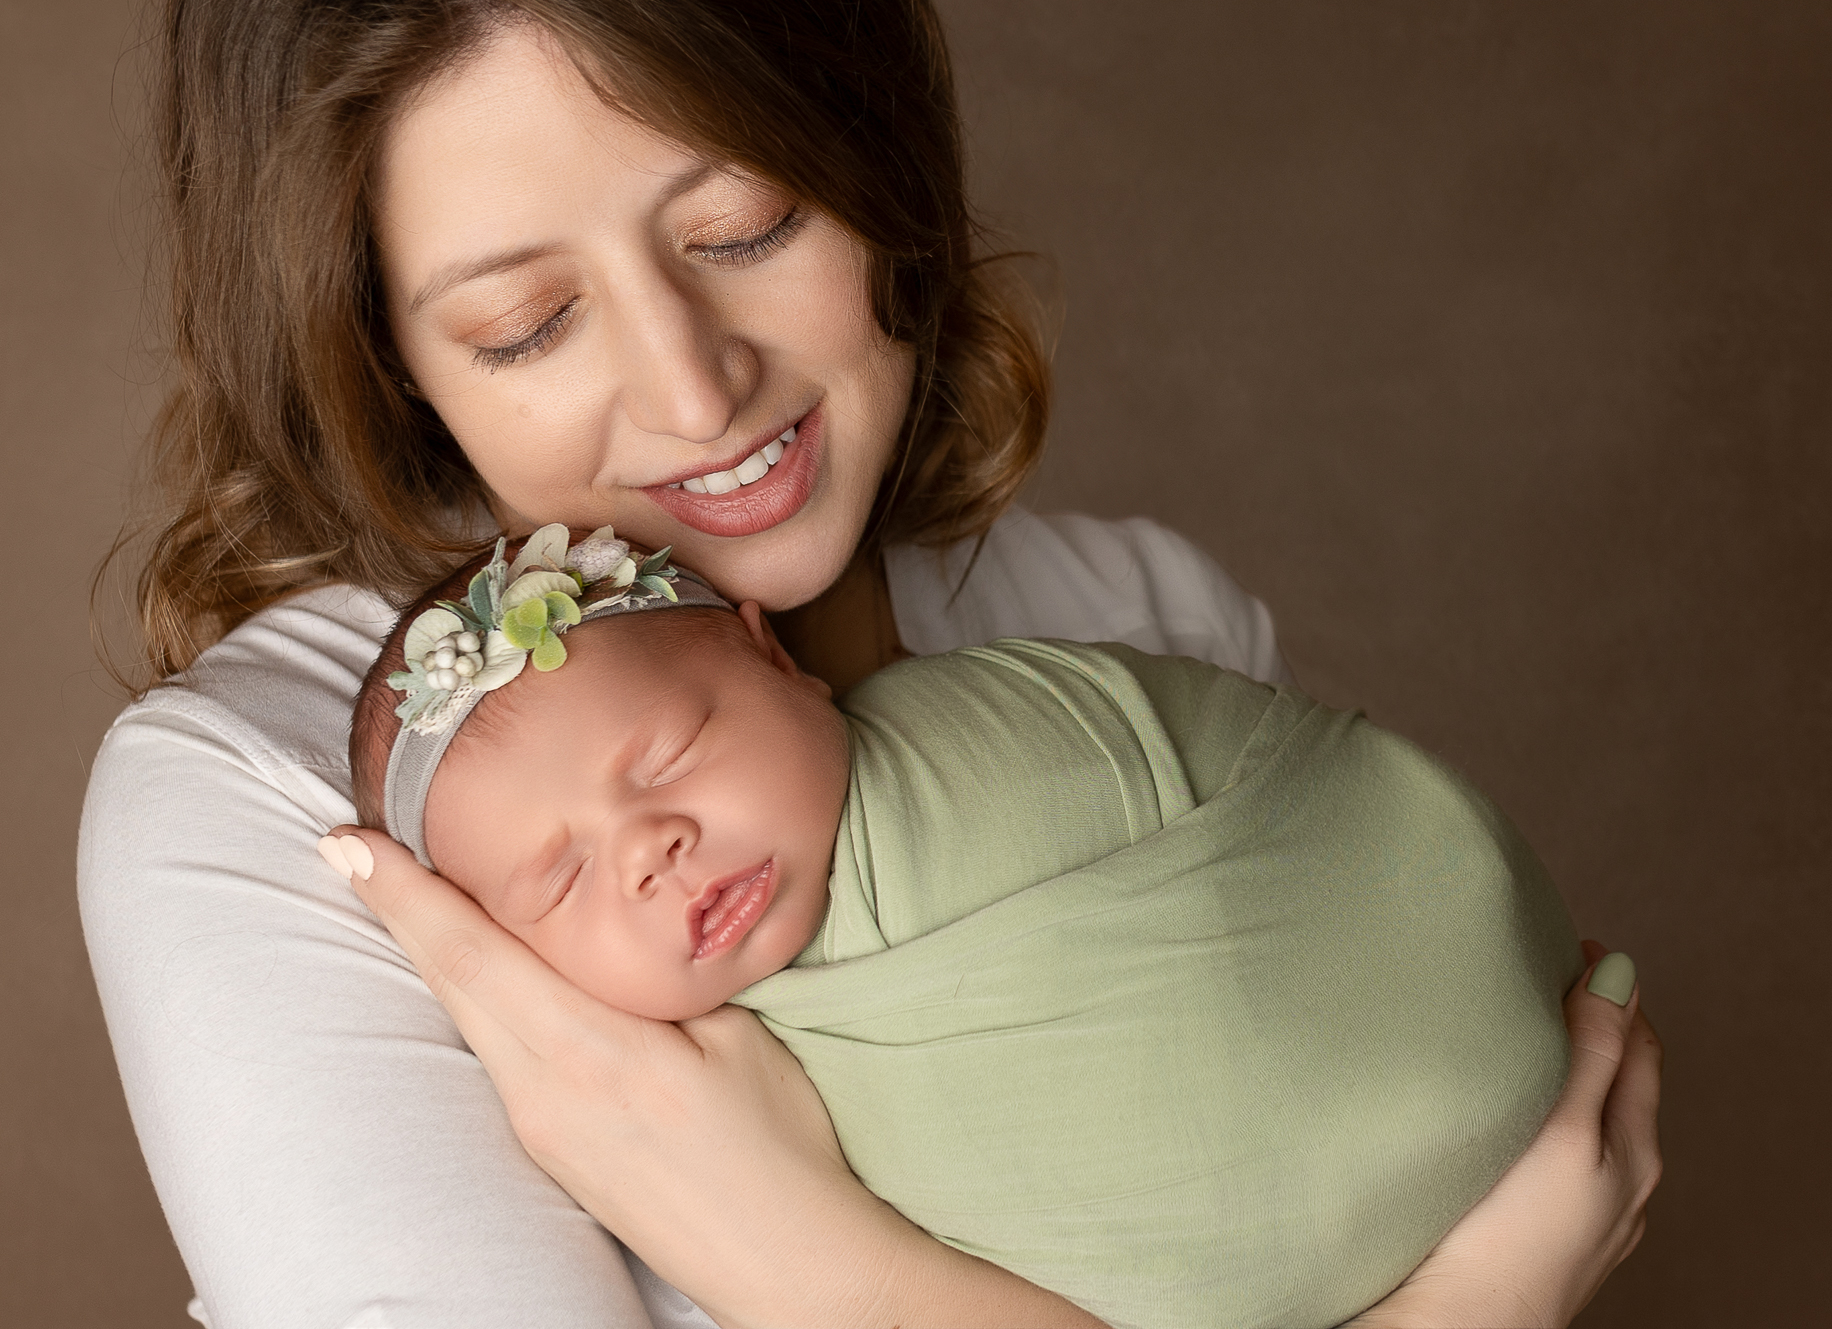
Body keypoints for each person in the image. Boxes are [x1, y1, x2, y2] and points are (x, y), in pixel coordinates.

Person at [79, 0, 1661, 1326]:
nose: (696, 391)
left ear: (876, 152)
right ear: (392, 366)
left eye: (744, 224)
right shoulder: (273, 811)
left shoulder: (1142, 620)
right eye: (525, 324)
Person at [332, 524, 1582, 1328]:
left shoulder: (991, 721)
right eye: (560, 883)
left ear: (779, 663)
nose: (648, 853)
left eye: (671, 753)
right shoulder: (652, 1091)